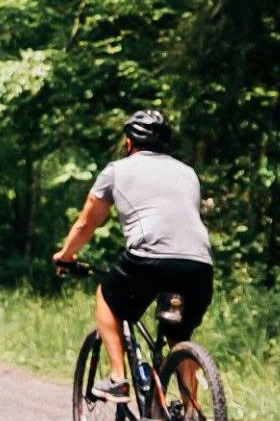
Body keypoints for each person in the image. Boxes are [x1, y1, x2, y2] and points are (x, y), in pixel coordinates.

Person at [51, 108, 213, 402]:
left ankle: (117, 378)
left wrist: (66, 255)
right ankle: (191, 415)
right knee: (179, 334)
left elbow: (87, 223)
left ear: (128, 143)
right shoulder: (188, 173)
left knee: (107, 298)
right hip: (199, 264)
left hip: (148, 259)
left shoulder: (116, 170)